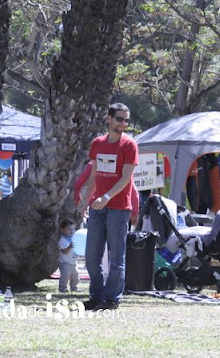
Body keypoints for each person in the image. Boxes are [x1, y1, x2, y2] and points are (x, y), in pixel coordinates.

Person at [80, 103, 139, 311]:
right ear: (109, 118)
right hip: (97, 208)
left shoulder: (129, 145)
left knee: (116, 257)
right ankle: (96, 296)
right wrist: (86, 201)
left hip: (119, 208)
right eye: (119, 119)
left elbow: (126, 178)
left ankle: (112, 298)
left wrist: (106, 196)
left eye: (126, 120)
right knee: (91, 257)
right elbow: (94, 174)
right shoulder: (98, 143)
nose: (123, 123)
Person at [74, 160, 140, 226]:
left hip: (96, 206)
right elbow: (134, 192)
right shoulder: (123, 166)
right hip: (116, 208)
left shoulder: (93, 163)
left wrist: (77, 197)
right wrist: (135, 212)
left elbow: (79, 182)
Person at [58, 218, 80, 293]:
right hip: (65, 263)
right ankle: (63, 288)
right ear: (62, 229)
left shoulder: (74, 238)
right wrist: (69, 247)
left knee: (75, 275)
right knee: (65, 276)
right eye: (68, 229)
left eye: (73, 229)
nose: (71, 231)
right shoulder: (62, 240)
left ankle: (74, 287)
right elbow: (64, 252)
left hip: (73, 262)